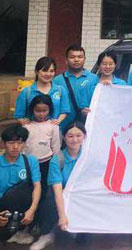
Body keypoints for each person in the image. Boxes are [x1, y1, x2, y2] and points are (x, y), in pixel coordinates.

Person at [31, 122, 86, 250]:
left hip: (80, 195)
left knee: (83, 240)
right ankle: (47, 234)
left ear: (84, 137)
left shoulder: (87, 157)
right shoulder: (58, 159)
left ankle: (77, 226)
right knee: (50, 200)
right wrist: (62, 216)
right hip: (62, 192)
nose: (74, 140)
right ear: (64, 138)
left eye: (78, 135)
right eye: (70, 136)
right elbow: (57, 191)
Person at [0, 125, 42, 245]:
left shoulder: (30, 161)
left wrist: (32, 210)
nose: (15, 147)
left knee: (24, 190)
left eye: (19, 143)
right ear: (3, 144)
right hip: (2, 206)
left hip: (21, 205)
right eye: (11, 143)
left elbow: (37, 186)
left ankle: (22, 229)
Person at [15, 57, 71, 128]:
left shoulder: (60, 90)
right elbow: (19, 115)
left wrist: (58, 121)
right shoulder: (27, 92)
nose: (48, 74)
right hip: (33, 131)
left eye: (51, 71)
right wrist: (24, 121)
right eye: (44, 71)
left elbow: (64, 111)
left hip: (54, 131)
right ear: (37, 71)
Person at [52, 44, 98, 128]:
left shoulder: (95, 79)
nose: (76, 60)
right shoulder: (57, 81)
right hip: (63, 127)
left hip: (88, 127)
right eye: (72, 57)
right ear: (66, 60)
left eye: (80, 57)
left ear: (84, 59)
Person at [23, 96, 61, 190]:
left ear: (50, 110)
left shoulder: (53, 126)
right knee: (29, 185)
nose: (41, 114)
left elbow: (55, 145)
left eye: (44, 110)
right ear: (32, 110)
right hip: (29, 162)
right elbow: (22, 146)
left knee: (43, 185)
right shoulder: (26, 127)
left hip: (46, 162)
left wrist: (53, 159)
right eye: (37, 111)